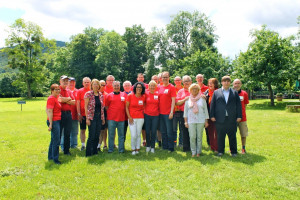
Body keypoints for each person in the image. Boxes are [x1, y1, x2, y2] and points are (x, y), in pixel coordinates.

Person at [210, 76, 242, 157]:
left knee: (232, 136)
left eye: (228, 81)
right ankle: (220, 151)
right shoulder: (216, 92)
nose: (226, 82)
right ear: (221, 82)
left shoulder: (234, 92)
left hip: (232, 118)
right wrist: (212, 115)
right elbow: (212, 105)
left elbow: (238, 105)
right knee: (220, 136)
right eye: (224, 81)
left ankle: (234, 152)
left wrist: (239, 116)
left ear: (230, 82)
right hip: (220, 118)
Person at [184, 84, 209, 157]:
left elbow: (205, 111)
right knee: (192, 136)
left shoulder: (202, 99)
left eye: (196, 88)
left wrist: (206, 121)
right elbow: (185, 112)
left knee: (199, 136)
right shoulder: (187, 99)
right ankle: (193, 152)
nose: (194, 90)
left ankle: (198, 152)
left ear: (198, 90)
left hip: (200, 120)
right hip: (191, 121)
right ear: (190, 90)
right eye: (193, 89)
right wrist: (185, 121)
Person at [84, 79, 105, 157]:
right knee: (91, 135)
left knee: (97, 135)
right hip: (91, 117)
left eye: (97, 84)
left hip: (99, 117)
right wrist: (87, 118)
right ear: (91, 85)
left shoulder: (101, 95)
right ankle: (88, 153)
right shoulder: (88, 94)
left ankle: (95, 151)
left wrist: (103, 118)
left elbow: (102, 108)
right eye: (94, 84)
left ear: (99, 86)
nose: (96, 86)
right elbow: (85, 106)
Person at [105, 81, 126, 153]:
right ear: (112, 86)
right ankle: (110, 149)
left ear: (120, 86)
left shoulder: (124, 94)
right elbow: (106, 106)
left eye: (118, 85)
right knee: (111, 135)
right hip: (111, 119)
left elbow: (126, 106)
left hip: (121, 118)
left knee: (121, 135)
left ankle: (121, 149)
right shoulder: (109, 95)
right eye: (115, 86)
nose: (116, 87)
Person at [126, 82, 146, 155]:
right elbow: (126, 107)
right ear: (135, 88)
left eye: (140, 87)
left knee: (138, 134)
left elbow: (145, 105)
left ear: (142, 89)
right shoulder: (130, 95)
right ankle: (133, 149)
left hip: (140, 118)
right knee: (133, 134)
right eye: (137, 87)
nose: (139, 89)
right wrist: (129, 117)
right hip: (132, 118)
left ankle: (137, 148)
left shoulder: (143, 96)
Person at [158, 71, 176, 152]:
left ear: (169, 78)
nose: (165, 78)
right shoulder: (159, 87)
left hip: (168, 113)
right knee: (163, 131)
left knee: (169, 131)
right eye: (163, 77)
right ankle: (164, 146)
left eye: (166, 77)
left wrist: (171, 112)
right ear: (161, 78)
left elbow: (173, 100)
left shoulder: (171, 87)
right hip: (160, 113)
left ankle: (171, 147)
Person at [59, 75, 75, 155]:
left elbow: (74, 102)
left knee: (67, 133)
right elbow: (59, 99)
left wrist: (65, 100)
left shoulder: (69, 91)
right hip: (60, 114)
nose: (65, 82)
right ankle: (56, 150)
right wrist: (68, 99)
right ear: (60, 81)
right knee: (58, 133)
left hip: (68, 114)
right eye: (64, 81)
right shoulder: (57, 89)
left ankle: (66, 150)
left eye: (66, 81)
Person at [175, 75, 192, 152]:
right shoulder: (180, 91)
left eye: (188, 81)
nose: (187, 83)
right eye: (185, 81)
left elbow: (202, 96)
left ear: (191, 82)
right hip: (183, 113)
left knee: (193, 130)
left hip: (194, 113)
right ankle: (186, 147)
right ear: (183, 82)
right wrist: (184, 99)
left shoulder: (195, 89)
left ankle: (193, 147)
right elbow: (177, 103)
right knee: (184, 130)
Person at [46, 84, 62, 164]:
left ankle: (50, 157)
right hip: (54, 121)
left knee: (53, 140)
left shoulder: (56, 98)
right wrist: (51, 124)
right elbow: (49, 111)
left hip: (57, 120)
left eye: (59, 89)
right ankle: (55, 159)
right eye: (56, 89)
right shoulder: (51, 98)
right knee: (56, 141)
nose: (58, 91)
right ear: (52, 90)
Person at [233, 79, 249, 154]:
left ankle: (243, 148)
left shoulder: (244, 93)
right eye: (235, 83)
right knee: (232, 134)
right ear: (233, 84)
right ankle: (232, 148)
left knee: (243, 134)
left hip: (242, 118)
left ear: (241, 84)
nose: (237, 85)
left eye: (238, 83)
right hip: (232, 118)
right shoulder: (230, 93)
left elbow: (245, 105)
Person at [144, 80, 159, 153]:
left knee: (153, 131)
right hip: (147, 115)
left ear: (156, 87)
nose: (152, 87)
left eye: (154, 86)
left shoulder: (158, 94)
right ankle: (148, 145)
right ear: (148, 86)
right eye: (151, 85)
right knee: (147, 131)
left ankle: (152, 147)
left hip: (155, 115)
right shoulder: (146, 93)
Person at [204, 78, 219, 152]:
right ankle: (212, 147)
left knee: (217, 132)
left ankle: (217, 147)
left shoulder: (219, 92)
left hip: (217, 116)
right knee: (210, 132)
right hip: (208, 115)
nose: (210, 84)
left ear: (215, 84)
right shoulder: (206, 92)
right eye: (209, 83)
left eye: (211, 83)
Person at [76, 77, 91, 151]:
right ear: (82, 83)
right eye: (85, 82)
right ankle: (83, 145)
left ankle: (91, 145)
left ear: (90, 83)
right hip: (82, 114)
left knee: (91, 130)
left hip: (91, 114)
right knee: (82, 130)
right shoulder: (79, 91)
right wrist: (79, 114)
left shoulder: (92, 91)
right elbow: (78, 103)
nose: (86, 83)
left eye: (88, 82)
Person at [196, 74, 209, 146]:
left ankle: (209, 143)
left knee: (207, 128)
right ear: (196, 79)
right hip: (196, 111)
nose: (200, 79)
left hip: (205, 110)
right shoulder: (194, 87)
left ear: (203, 79)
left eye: (201, 78)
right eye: (198, 78)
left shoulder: (207, 88)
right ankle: (197, 144)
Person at [173, 76, 183, 147]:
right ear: (174, 82)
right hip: (174, 111)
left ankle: (181, 143)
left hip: (182, 111)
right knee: (174, 129)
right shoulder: (172, 89)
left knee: (182, 129)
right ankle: (174, 142)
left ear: (181, 81)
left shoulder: (184, 89)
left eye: (179, 80)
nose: (178, 82)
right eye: (176, 80)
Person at [98, 80, 108, 151]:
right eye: (101, 85)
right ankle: (96, 145)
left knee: (104, 130)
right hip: (96, 113)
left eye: (104, 85)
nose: (103, 86)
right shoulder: (94, 93)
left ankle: (104, 144)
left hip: (104, 112)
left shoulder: (106, 94)